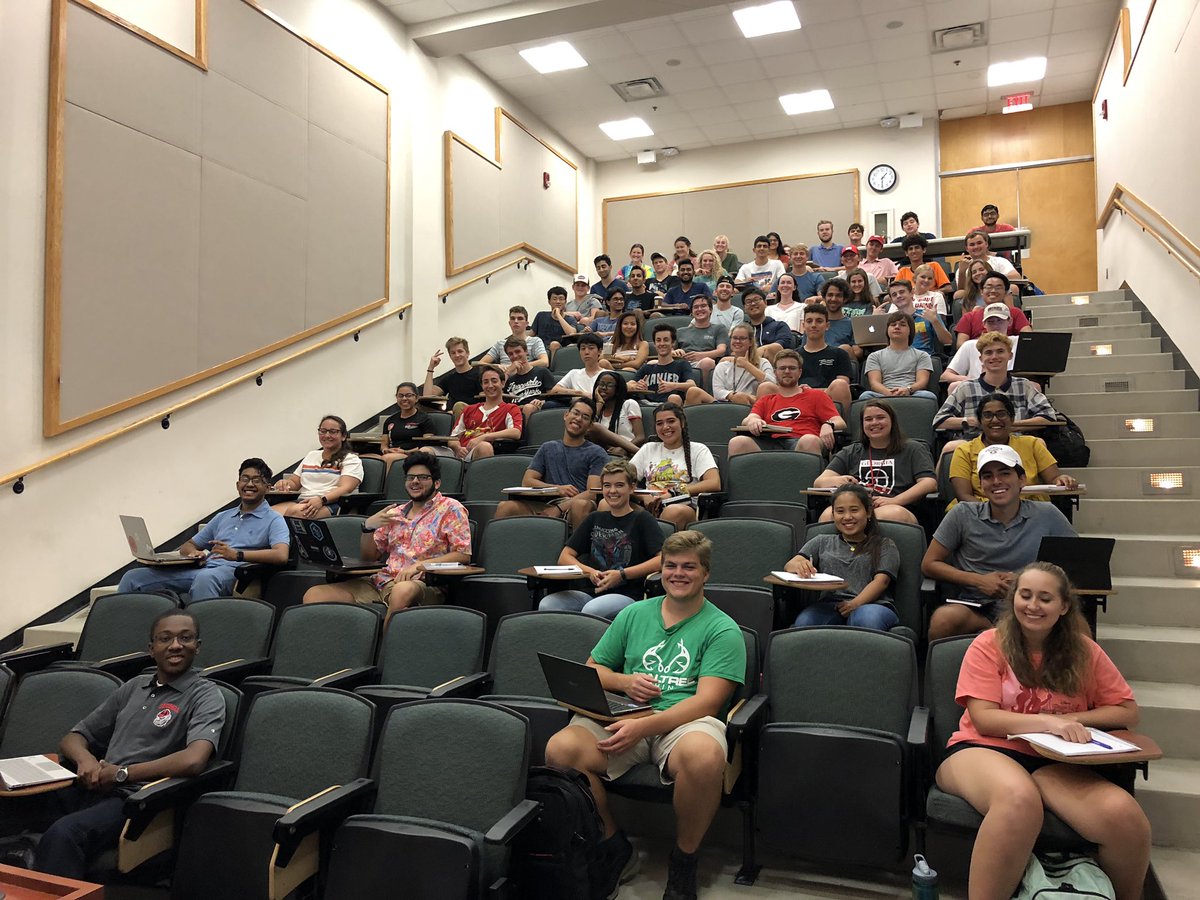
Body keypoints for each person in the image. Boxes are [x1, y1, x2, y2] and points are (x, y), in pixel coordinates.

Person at [544, 530, 746, 900]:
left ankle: (684, 858)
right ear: (661, 571)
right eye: (671, 566)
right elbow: (594, 670)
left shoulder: (723, 629)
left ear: (705, 574)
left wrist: (646, 726)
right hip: (628, 714)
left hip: (684, 721)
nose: (678, 573)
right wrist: (624, 681)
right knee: (561, 749)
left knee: (705, 757)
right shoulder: (634, 614)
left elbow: (707, 703)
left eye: (689, 567)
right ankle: (611, 843)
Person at [935, 562, 1149, 900]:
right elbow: (986, 719)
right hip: (984, 750)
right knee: (1018, 800)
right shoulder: (988, 644)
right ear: (1014, 598)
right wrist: (1050, 721)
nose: (1033, 605)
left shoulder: (1085, 651)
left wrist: (1076, 720)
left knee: (1126, 817)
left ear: (1064, 606)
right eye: (1026, 595)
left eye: (1045, 598)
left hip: (1056, 761)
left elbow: (1127, 710)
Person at [31, 610, 224, 879]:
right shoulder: (133, 687)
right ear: (151, 649)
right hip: (95, 787)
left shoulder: (205, 695)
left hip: (137, 800)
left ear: (197, 647)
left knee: (65, 833)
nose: (176, 645)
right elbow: (73, 738)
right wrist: (85, 759)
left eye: (186, 638)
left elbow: (194, 760)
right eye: (165, 639)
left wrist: (123, 773)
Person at [922, 444, 1076, 641]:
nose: (996, 481)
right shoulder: (962, 514)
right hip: (977, 607)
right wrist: (979, 580)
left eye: (1004, 473)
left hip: (1032, 605)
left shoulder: (1047, 514)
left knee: (1077, 627)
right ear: (981, 484)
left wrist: (1024, 581)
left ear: (1022, 479)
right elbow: (929, 564)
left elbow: (1075, 564)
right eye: (987, 476)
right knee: (944, 619)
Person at [302, 452, 471, 612]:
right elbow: (369, 558)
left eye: (423, 477)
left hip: (424, 584)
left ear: (437, 483)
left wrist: (418, 566)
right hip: (381, 582)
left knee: (402, 591)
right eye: (410, 477)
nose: (415, 481)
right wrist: (368, 527)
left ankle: (387, 641)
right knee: (315, 595)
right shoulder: (395, 513)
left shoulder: (451, 508)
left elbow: (462, 555)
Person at [119, 459, 290, 601]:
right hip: (202, 568)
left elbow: (281, 555)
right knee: (133, 577)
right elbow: (189, 545)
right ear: (237, 484)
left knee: (205, 579)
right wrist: (194, 553)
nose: (249, 484)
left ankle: (202, 638)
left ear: (268, 487)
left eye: (256, 480)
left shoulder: (274, 519)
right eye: (245, 479)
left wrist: (237, 554)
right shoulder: (223, 516)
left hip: (235, 573)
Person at [538, 460, 664, 619]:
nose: (612, 491)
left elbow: (663, 559)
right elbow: (564, 557)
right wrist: (590, 572)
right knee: (548, 604)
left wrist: (622, 574)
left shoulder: (642, 519)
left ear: (631, 487)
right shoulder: (595, 518)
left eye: (619, 485)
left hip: (627, 593)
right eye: (607, 485)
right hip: (589, 591)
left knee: (593, 610)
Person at [784, 483, 901, 631]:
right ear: (833, 515)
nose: (847, 517)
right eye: (840, 511)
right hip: (830, 605)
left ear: (868, 512)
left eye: (854, 510)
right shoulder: (822, 541)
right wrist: (799, 565)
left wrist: (854, 604)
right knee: (804, 623)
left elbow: (881, 582)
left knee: (865, 619)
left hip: (872, 605)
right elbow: (791, 564)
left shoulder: (884, 544)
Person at [814, 399, 936, 525]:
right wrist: (839, 480)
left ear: (892, 421)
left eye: (880, 417)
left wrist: (895, 500)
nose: (874, 423)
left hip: (897, 506)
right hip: (856, 507)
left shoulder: (913, 449)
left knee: (892, 514)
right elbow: (819, 482)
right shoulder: (852, 451)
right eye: (868, 419)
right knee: (827, 516)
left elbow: (929, 483)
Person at [495, 397, 608, 528]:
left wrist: (560, 508)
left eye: (585, 417)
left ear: (590, 426)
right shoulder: (548, 447)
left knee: (581, 505)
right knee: (506, 507)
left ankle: (576, 549)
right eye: (575, 413)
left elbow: (592, 492)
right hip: (545, 502)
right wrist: (557, 489)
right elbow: (528, 481)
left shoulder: (597, 452)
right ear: (566, 415)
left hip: (574, 504)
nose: (578, 419)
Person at [949, 393, 1077, 504]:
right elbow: (964, 496)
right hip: (981, 512)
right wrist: (996, 513)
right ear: (980, 421)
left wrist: (1062, 480)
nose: (995, 420)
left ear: (1012, 418)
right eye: (988, 415)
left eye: (1001, 414)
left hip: (1030, 510)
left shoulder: (1032, 444)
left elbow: (1054, 479)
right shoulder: (964, 451)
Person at [934, 331, 1059, 440]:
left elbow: (1048, 416)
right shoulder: (966, 388)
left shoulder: (1024, 386)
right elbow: (940, 421)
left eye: (1000, 351)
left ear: (1010, 356)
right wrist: (971, 421)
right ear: (981, 358)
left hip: (1016, 443)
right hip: (974, 445)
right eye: (988, 353)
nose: (994, 357)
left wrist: (1010, 425)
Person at [728, 350, 845, 456]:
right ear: (775, 372)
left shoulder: (816, 395)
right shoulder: (767, 399)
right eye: (782, 368)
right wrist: (753, 421)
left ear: (800, 372)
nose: (787, 371)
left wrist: (828, 424)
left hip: (801, 441)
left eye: (792, 368)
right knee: (737, 442)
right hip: (770, 442)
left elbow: (839, 422)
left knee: (809, 440)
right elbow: (749, 419)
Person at [627, 404, 720, 529]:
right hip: (650, 508)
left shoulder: (698, 449)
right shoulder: (648, 449)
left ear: (681, 423)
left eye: (671, 421)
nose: (665, 427)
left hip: (683, 507)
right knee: (607, 504)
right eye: (659, 423)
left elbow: (714, 483)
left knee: (673, 511)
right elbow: (624, 480)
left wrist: (673, 492)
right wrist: (644, 496)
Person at [272, 416, 363, 518]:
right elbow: (294, 482)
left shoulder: (351, 459)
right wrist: (284, 484)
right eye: (323, 431)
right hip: (304, 500)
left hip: (331, 503)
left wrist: (321, 499)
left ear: (343, 436)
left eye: (333, 431)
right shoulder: (312, 455)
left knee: (295, 512)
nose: (327, 435)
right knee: (265, 514)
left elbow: (345, 488)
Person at [686, 323, 774, 406]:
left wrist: (747, 365)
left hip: (753, 405)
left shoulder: (763, 362)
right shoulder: (723, 365)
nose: (738, 341)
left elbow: (772, 385)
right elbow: (717, 391)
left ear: (751, 342)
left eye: (742, 338)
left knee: (741, 398)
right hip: (724, 403)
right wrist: (734, 395)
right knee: (693, 391)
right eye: (734, 338)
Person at [860, 312, 938, 403]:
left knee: (929, 396)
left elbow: (922, 381)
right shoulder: (874, 356)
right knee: (865, 396)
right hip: (884, 395)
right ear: (887, 330)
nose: (897, 327)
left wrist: (908, 390)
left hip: (912, 394)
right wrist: (889, 393)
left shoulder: (922, 355)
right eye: (893, 325)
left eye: (902, 325)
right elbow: (874, 383)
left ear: (910, 331)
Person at [448, 365, 523, 460]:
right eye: (486, 382)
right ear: (482, 386)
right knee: (426, 450)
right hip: (460, 453)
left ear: (503, 383)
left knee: (485, 447)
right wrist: (457, 448)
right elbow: (453, 438)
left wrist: (484, 437)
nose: (490, 385)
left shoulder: (511, 408)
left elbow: (516, 432)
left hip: (480, 451)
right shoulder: (469, 409)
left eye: (494, 381)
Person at [942, 305, 1018, 391]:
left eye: (1000, 321)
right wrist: (973, 380)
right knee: (954, 386)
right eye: (990, 322)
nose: (995, 325)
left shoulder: (1019, 342)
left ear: (1010, 321)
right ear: (984, 324)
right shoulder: (969, 345)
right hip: (977, 387)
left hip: (1011, 386)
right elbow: (946, 375)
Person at [795, 302, 853, 410]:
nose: (813, 325)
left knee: (840, 385)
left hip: (827, 402)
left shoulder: (840, 354)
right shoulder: (793, 356)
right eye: (809, 321)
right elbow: (785, 386)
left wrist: (812, 392)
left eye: (819, 321)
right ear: (803, 326)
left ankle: (840, 425)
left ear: (827, 326)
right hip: (797, 401)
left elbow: (842, 386)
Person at [955, 275, 1032, 346]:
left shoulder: (1015, 313)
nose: (993, 291)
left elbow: (1028, 338)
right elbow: (961, 345)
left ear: (1005, 292)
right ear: (981, 291)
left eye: (998, 287)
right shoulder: (969, 317)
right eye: (988, 287)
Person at [885, 279, 953, 358]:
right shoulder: (890, 321)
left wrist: (935, 321)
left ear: (911, 293)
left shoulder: (928, 314)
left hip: (924, 359)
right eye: (894, 295)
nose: (898, 296)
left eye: (902, 292)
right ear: (892, 300)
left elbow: (948, 341)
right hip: (897, 359)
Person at [631, 324, 698, 404]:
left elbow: (692, 385)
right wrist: (636, 386)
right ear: (655, 344)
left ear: (672, 343)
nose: (662, 343)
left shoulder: (682, 365)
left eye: (666, 340)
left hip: (671, 405)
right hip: (648, 404)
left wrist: (673, 386)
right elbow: (629, 384)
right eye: (658, 340)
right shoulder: (647, 368)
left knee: (674, 398)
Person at [590, 370, 644, 457]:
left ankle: (643, 454)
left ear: (618, 389)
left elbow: (640, 437)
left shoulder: (629, 404)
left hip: (628, 453)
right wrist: (599, 404)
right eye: (601, 384)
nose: (604, 388)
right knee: (594, 427)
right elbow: (588, 430)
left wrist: (624, 449)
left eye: (609, 385)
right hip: (603, 453)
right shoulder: (596, 408)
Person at [380, 383, 439, 462]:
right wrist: (386, 450)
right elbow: (384, 444)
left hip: (414, 454)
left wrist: (405, 452)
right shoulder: (390, 420)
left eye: (408, 395)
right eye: (400, 396)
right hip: (393, 453)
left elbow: (427, 444)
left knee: (388, 458)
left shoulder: (425, 419)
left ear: (416, 398)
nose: (404, 398)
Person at [480, 306, 550, 372]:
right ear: (509, 323)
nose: (516, 321)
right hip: (503, 378)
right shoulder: (500, 343)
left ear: (526, 323)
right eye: (513, 318)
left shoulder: (535, 341)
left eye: (520, 318)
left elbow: (544, 362)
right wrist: (496, 366)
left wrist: (516, 366)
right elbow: (480, 363)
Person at [423, 337, 482, 414]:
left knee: (458, 406)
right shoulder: (449, 379)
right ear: (450, 356)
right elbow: (427, 396)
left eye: (460, 351)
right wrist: (431, 368)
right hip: (452, 418)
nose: (457, 355)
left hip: (474, 416)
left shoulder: (480, 375)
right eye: (453, 353)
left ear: (467, 353)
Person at [954, 230, 1019, 297]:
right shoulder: (962, 268)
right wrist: (962, 272)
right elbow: (961, 292)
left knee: (1013, 288)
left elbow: (1016, 277)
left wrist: (990, 281)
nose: (976, 247)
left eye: (979, 243)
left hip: (998, 295)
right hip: (975, 299)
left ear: (986, 244)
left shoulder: (1000, 261)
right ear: (967, 249)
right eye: (972, 245)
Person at [503, 339, 556, 420]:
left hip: (536, 410)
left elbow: (553, 396)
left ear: (526, 351)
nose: (515, 356)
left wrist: (542, 402)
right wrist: (508, 372)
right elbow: (499, 400)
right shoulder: (509, 380)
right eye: (510, 354)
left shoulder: (542, 372)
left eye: (517, 351)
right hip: (515, 412)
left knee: (528, 408)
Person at [806, 278, 858, 361]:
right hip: (814, 363)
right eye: (830, 295)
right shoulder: (814, 323)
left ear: (845, 299)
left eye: (838, 295)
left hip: (840, 365)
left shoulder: (853, 324)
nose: (833, 299)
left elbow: (857, 352)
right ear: (824, 298)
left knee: (845, 348)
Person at [677, 295, 729, 373]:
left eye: (703, 306)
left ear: (710, 310)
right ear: (691, 312)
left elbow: (721, 350)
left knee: (707, 362)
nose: (699, 309)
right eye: (696, 307)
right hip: (681, 362)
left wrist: (700, 355)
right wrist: (675, 351)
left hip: (705, 361)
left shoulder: (719, 328)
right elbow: (669, 349)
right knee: (652, 363)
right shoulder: (680, 331)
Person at [742, 288, 795, 364]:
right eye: (748, 302)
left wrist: (760, 351)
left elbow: (780, 347)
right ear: (744, 308)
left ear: (765, 303)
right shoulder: (743, 330)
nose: (753, 304)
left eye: (756, 299)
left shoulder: (779, 326)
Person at [549, 332, 607, 399]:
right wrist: (580, 393)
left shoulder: (607, 374)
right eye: (583, 349)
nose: (586, 352)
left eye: (591, 348)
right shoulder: (574, 373)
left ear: (599, 351)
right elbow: (555, 390)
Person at [897, 235, 951, 300]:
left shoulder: (934, 266)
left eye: (917, 248)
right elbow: (894, 292)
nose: (914, 251)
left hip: (931, 302)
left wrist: (930, 294)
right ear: (906, 253)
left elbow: (948, 288)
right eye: (910, 249)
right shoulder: (903, 271)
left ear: (924, 250)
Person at [530, 286, 577, 356]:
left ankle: (553, 366)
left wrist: (558, 315)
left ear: (565, 302)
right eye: (554, 299)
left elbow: (571, 333)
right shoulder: (541, 315)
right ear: (549, 301)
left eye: (561, 299)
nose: (558, 302)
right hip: (540, 350)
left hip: (560, 350)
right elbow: (531, 334)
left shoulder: (570, 319)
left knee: (554, 344)